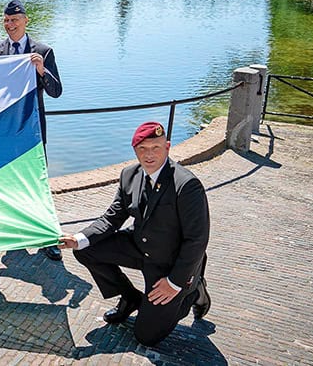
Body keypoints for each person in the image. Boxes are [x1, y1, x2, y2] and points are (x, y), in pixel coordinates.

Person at [58, 122, 212, 347]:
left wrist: (176, 283)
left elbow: (197, 240)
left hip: (169, 263)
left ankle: (193, 290)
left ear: (167, 147)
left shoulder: (186, 184)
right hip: (139, 246)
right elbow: (113, 217)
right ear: (135, 150)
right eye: (143, 149)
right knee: (86, 249)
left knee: (146, 337)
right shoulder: (129, 174)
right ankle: (130, 298)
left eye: (156, 148)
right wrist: (78, 238)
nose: (149, 155)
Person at [0, 0, 63, 261]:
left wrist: (41, 70)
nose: (10, 25)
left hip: (30, 131)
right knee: (6, 183)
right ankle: (14, 233)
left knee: (38, 185)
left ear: (26, 20)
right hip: (1, 132)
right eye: (6, 21)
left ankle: (48, 237)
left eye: (14, 20)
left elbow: (56, 92)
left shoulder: (43, 51)